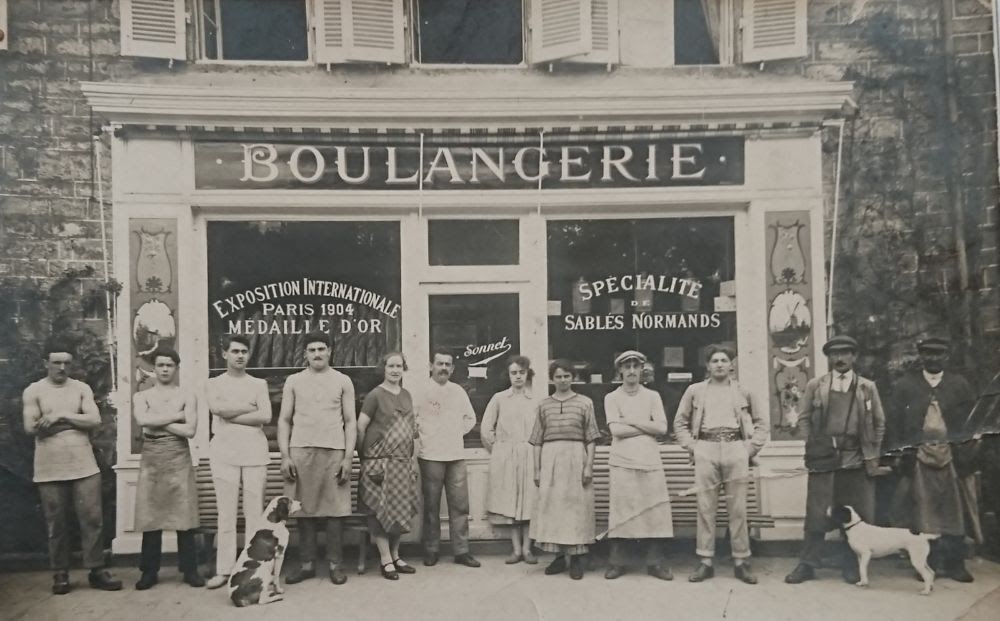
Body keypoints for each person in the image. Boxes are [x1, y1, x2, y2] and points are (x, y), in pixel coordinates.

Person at [22, 340, 122, 595]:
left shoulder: (80, 389)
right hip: (49, 466)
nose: (62, 367)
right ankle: (60, 572)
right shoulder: (34, 391)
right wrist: (77, 423)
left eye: (67, 362)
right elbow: (31, 427)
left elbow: (94, 420)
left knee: (92, 519)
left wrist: (61, 417)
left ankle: (96, 569)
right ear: (46, 363)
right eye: (56, 362)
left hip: (83, 464)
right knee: (57, 522)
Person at [785, 335, 887, 585]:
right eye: (834, 354)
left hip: (855, 459)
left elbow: (879, 423)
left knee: (856, 514)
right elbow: (804, 419)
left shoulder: (867, 387)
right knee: (817, 513)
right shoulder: (815, 385)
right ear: (828, 358)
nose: (839, 358)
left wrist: (871, 451)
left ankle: (851, 564)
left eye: (845, 353)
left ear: (854, 357)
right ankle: (807, 564)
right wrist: (815, 446)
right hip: (824, 460)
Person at [887, 336, 978, 582]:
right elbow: (894, 423)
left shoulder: (959, 384)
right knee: (924, 510)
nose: (933, 358)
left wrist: (968, 451)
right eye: (928, 353)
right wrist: (899, 454)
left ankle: (955, 563)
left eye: (939, 353)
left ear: (946, 356)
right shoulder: (906, 385)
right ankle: (929, 563)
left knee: (954, 509)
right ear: (921, 356)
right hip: (918, 456)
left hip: (951, 456)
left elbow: (972, 422)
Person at [675, 344, 767, 584]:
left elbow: (761, 423)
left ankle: (741, 561)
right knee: (706, 508)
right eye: (714, 360)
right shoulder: (695, 391)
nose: (719, 364)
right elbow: (680, 423)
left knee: (738, 509)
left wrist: (749, 449)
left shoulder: (743, 392)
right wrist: (693, 447)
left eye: (723, 360)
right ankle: (705, 561)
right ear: (707, 365)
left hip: (736, 448)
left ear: (731, 364)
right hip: (706, 447)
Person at [278, 332, 357, 586]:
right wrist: (285, 456)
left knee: (335, 511)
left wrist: (347, 458)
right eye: (311, 350)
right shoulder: (294, 381)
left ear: (330, 351)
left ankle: (335, 564)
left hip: (333, 450)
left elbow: (350, 421)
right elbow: (284, 420)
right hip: (301, 450)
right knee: (304, 510)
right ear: (305, 354)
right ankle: (307, 564)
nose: (317, 354)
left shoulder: (343, 381)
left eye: (321, 349)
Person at [203, 335, 273, 589]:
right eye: (235, 351)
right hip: (224, 453)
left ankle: (253, 569)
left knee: (254, 513)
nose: (240, 355)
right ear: (224, 354)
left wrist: (232, 414)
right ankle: (224, 570)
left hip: (254, 452)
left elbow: (265, 415)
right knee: (226, 514)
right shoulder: (213, 383)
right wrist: (248, 409)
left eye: (244, 351)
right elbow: (216, 409)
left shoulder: (258, 383)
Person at [133, 347, 204, 590]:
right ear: (154, 367)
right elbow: (143, 422)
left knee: (184, 514)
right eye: (161, 365)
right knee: (151, 515)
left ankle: (190, 570)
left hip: (178, 455)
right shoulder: (142, 396)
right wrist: (175, 416)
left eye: (169, 365)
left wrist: (158, 420)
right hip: (152, 456)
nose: (165, 369)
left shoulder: (186, 395)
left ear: (176, 368)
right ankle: (149, 572)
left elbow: (190, 431)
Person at [603, 350, 674, 581]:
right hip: (622, 460)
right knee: (622, 509)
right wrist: (646, 425)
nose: (632, 370)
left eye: (636, 366)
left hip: (649, 459)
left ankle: (655, 562)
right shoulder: (611, 397)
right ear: (620, 370)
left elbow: (662, 428)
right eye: (627, 366)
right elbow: (616, 431)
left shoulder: (652, 396)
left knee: (654, 509)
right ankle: (617, 562)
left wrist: (630, 420)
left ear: (642, 369)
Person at [529, 359, 601, 580]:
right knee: (554, 507)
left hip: (575, 457)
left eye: (567, 376)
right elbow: (537, 440)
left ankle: (577, 558)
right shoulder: (543, 405)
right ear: (552, 379)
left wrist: (588, 466)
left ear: (573, 378)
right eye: (558, 376)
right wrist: (538, 469)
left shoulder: (585, 403)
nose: (562, 380)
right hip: (551, 459)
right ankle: (559, 557)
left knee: (576, 508)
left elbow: (591, 439)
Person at [414, 348, 480, 568]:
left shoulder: (458, 391)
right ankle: (431, 549)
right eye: (439, 363)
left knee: (460, 504)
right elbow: (412, 420)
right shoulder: (422, 391)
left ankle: (461, 551)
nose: (443, 368)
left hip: (456, 455)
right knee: (431, 506)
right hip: (430, 455)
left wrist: (453, 432)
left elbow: (470, 418)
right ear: (431, 366)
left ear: (452, 368)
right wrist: (427, 434)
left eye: (447, 365)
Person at [357, 352, 420, 580]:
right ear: (383, 368)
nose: (395, 370)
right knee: (379, 510)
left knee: (400, 510)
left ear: (404, 369)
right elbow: (361, 426)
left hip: (402, 463)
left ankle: (395, 556)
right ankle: (385, 559)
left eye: (399, 366)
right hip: (378, 463)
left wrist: (412, 461)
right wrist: (366, 457)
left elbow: (412, 431)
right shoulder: (375, 395)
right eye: (391, 366)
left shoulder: (407, 395)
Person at [481, 355, 540, 564]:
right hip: (506, 456)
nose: (518, 377)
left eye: (521, 372)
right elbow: (486, 428)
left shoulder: (535, 400)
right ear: (508, 375)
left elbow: (541, 429)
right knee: (511, 504)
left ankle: (528, 549)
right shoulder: (499, 398)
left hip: (529, 454)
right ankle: (516, 549)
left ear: (527, 374)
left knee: (528, 502)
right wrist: (498, 449)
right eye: (514, 373)